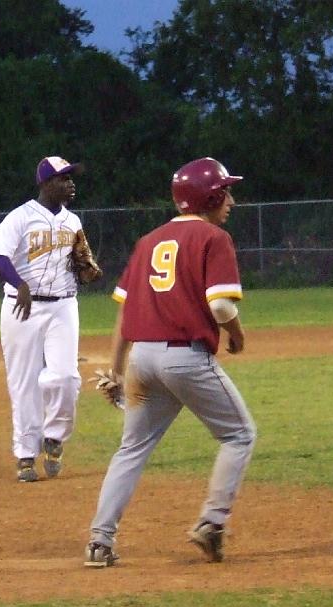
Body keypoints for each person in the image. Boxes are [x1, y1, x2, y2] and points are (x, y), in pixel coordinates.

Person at [84, 157, 257, 567]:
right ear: (210, 196)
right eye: (226, 191)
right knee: (240, 435)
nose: (231, 200)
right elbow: (219, 307)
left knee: (131, 450)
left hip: (142, 359)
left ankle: (99, 542)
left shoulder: (147, 241)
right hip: (185, 359)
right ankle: (211, 524)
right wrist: (238, 336)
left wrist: (117, 370)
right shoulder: (213, 239)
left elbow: (125, 316)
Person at [0, 156, 89, 482]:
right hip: (22, 307)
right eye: (64, 178)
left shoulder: (74, 222)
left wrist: (86, 267)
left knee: (65, 377)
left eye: (71, 178)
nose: (71, 183)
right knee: (24, 383)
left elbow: (80, 261)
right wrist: (19, 284)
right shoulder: (19, 218)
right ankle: (26, 455)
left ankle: (55, 436)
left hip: (63, 305)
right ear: (45, 184)